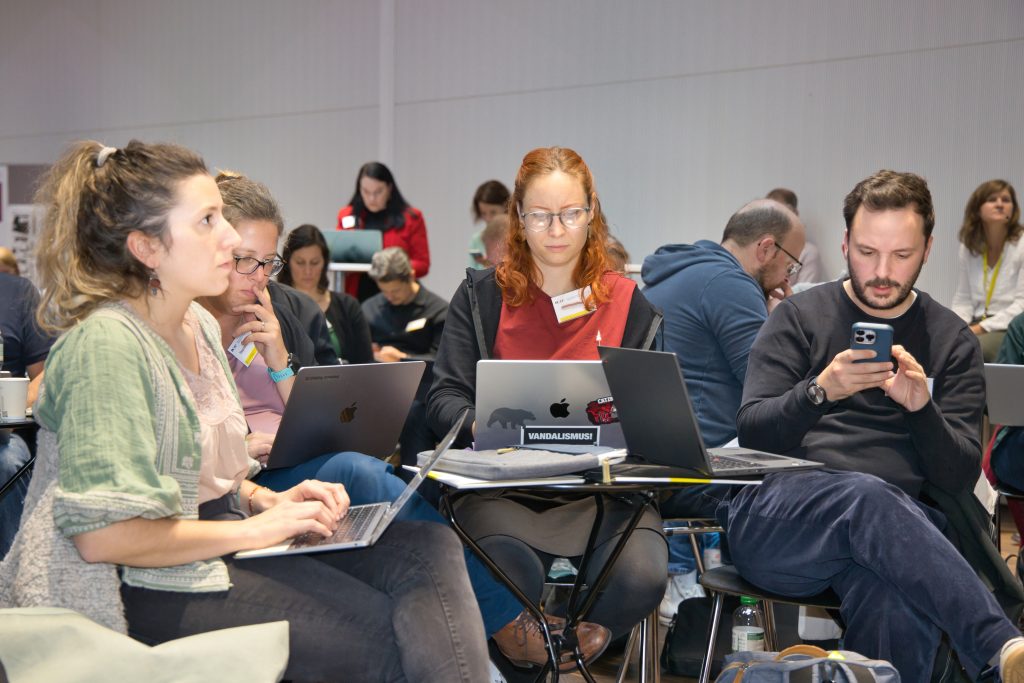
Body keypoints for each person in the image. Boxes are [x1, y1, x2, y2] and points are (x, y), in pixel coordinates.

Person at [0, 140, 490, 682]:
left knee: (428, 549)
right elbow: (106, 537)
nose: (231, 239)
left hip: (209, 542)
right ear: (146, 247)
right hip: (138, 583)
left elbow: (206, 482)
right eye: (208, 221)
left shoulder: (197, 328)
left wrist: (265, 499)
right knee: (385, 634)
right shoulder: (108, 344)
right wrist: (257, 529)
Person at [200, 170, 592, 671]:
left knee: (421, 528)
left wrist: (278, 358)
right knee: (364, 476)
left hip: (301, 451)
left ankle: (492, 653)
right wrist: (243, 442)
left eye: (268, 263)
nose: (258, 276)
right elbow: (197, 438)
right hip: (254, 476)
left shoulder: (275, 310)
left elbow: (305, 413)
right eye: (244, 261)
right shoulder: (191, 325)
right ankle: (511, 626)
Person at [718, 169, 1024, 682]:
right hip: (781, 521)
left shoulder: (952, 341)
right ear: (844, 244)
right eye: (866, 252)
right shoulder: (798, 316)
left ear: (927, 250)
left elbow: (956, 476)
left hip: (897, 539)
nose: (882, 272)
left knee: (898, 596)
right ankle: (998, 647)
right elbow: (753, 432)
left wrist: (921, 410)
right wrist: (819, 391)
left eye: (901, 255)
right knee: (866, 495)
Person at [427, 146, 668, 669]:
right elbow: (442, 399)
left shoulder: (631, 304)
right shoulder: (481, 297)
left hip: (604, 497)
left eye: (570, 213)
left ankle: (563, 658)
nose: (556, 230)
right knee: (504, 570)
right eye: (539, 215)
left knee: (641, 575)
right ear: (518, 216)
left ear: (591, 211)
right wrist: (482, 424)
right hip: (501, 493)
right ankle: (540, 659)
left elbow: (654, 419)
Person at [642, 199, 804, 620]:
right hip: (702, 468)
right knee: (820, 478)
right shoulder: (730, 284)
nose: (789, 278)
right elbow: (770, 387)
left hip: (653, 464)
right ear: (766, 248)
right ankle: (771, 620)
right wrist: (783, 325)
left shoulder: (677, 273)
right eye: (791, 264)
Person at [0, 271, 52, 558]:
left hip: (6, 436)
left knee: (6, 462)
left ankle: (12, 571)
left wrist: (13, 405)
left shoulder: (17, 293)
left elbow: (44, 373)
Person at [278, 223, 373, 364]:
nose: (308, 271)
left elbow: (365, 364)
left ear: (325, 263)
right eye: (300, 262)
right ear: (287, 262)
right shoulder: (275, 304)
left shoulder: (348, 306)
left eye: (315, 262)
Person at [951, 179, 1024, 361]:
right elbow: (963, 299)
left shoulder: (1021, 244)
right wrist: (957, 327)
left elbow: (1021, 305)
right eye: (992, 199)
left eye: (1006, 200)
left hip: (1007, 327)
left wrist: (979, 329)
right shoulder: (969, 247)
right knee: (942, 345)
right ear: (977, 209)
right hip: (975, 323)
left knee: (973, 350)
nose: (1000, 204)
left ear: (1013, 209)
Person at [337, 162, 429, 301]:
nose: (371, 198)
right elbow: (338, 255)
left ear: (389, 188)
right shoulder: (346, 216)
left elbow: (422, 264)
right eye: (366, 192)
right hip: (357, 294)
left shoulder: (412, 218)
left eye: (378, 192)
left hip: (397, 293)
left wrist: (396, 268)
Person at [362, 247, 448, 363]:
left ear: (411, 276)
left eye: (396, 291)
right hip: (375, 371)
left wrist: (403, 358)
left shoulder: (439, 312)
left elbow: (442, 360)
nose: (390, 297)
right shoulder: (369, 309)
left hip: (420, 373)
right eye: (384, 291)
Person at [767, 187, 823, 284]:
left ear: (794, 214)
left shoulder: (808, 252)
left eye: (780, 213)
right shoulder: (762, 248)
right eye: (769, 214)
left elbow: (806, 291)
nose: (774, 220)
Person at [468, 179, 510, 269]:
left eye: (493, 212)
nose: (488, 219)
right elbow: (472, 274)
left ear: (506, 206)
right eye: (483, 213)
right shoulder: (476, 240)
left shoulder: (518, 238)